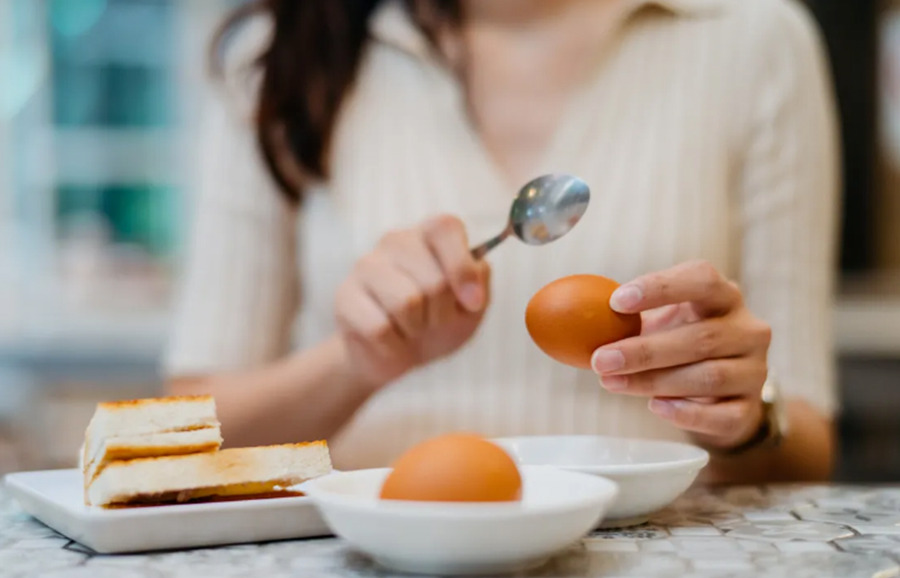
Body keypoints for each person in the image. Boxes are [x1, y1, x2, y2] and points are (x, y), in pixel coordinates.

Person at [164, 0, 840, 483]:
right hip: (367, 573)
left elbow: (810, 446)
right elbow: (191, 436)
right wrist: (357, 362)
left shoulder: (754, 39)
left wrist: (742, 412)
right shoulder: (283, 53)